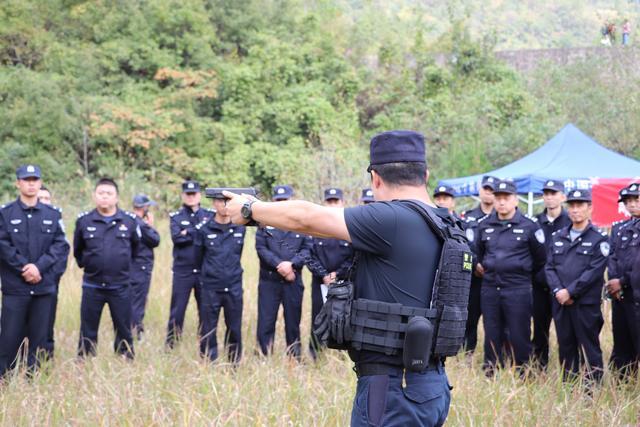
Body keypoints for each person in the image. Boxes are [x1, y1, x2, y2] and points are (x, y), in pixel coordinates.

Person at [224, 130, 452, 426]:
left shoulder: (392, 219)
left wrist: (250, 209)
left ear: (376, 179)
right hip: (432, 383)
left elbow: (305, 217)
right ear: (426, 174)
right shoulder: (446, 222)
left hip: (393, 387)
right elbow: (320, 228)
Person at [0, 165, 69, 377]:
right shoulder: (5, 213)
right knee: (10, 336)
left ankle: (34, 380)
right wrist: (24, 267)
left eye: (35, 180)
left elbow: (60, 245)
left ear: (40, 184)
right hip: (15, 288)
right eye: (26, 179)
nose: (31, 183)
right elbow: (3, 244)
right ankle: (5, 379)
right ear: (18, 183)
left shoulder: (53, 214)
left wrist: (38, 267)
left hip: (43, 287)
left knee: (40, 337)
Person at [476, 179, 546, 375]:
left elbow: (541, 258)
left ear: (515, 200)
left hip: (518, 288)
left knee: (519, 332)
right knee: (491, 331)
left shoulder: (529, 226)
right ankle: (491, 369)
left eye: (506, 198)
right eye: (498, 198)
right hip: (490, 287)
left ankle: (522, 370)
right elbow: (479, 253)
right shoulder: (485, 225)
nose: (501, 202)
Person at [74, 177, 141, 359]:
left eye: (109, 193)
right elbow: (78, 251)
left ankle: (125, 358)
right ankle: (85, 359)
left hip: (120, 285)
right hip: (92, 285)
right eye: (101, 193)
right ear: (94, 196)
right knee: (88, 327)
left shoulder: (128, 221)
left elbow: (136, 249)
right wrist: (89, 264)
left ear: (117, 197)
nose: (105, 197)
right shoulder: (84, 221)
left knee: (123, 326)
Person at [545, 189, 608, 382]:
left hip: (585, 305)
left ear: (589, 208)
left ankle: (592, 390)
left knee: (589, 348)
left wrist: (571, 291)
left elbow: (594, 271)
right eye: (571, 205)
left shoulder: (599, 238)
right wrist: (558, 291)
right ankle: (569, 387)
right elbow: (549, 267)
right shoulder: (558, 236)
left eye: (580, 205)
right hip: (561, 303)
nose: (575, 210)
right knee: (566, 346)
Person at [255, 185, 312, 359]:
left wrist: (292, 265)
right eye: (278, 200)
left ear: (290, 201)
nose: (281, 203)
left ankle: (294, 359)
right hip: (269, 282)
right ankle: (263, 358)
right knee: (265, 323)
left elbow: (308, 250)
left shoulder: (300, 224)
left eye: (284, 200)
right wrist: (280, 265)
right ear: (273, 201)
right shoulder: (264, 224)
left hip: (293, 281)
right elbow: (261, 248)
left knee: (293, 323)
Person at [195, 192, 246, 364]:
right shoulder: (204, 229)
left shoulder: (240, 227)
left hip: (233, 286)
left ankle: (234, 363)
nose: (223, 205)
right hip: (211, 287)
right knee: (208, 327)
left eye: (227, 202)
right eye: (219, 201)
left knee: (234, 327)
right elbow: (198, 258)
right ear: (214, 204)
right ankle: (209, 362)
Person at [306, 188, 354, 359]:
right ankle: (315, 353)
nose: (332, 204)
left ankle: (341, 355)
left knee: (342, 317)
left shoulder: (349, 227)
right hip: (320, 282)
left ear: (342, 202)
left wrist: (337, 274)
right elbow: (308, 255)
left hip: (342, 282)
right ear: (324, 203)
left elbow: (353, 257)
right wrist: (324, 274)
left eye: (336, 201)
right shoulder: (315, 227)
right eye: (329, 201)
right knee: (318, 315)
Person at [166, 180, 213, 348]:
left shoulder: (210, 215)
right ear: (183, 196)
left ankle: (205, 342)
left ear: (199, 195)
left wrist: (188, 232)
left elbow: (207, 237)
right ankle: (172, 344)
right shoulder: (176, 217)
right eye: (188, 194)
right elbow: (178, 239)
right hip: (183, 270)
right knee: (177, 310)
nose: (191, 197)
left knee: (205, 309)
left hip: (203, 269)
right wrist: (197, 230)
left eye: (194, 194)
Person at [532, 180, 571, 369]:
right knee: (539, 331)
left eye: (553, 193)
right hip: (539, 286)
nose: (549, 197)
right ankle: (539, 368)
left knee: (565, 332)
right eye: (546, 193)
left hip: (562, 287)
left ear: (562, 196)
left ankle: (568, 370)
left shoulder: (570, 221)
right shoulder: (535, 222)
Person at [606, 183, 640, 378]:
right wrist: (614, 283)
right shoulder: (620, 228)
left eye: (636, 199)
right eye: (628, 201)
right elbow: (613, 258)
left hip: (636, 293)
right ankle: (624, 384)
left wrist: (623, 281)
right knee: (622, 343)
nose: (632, 204)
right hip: (621, 297)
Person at [461, 176, 496, 354]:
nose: (488, 193)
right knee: (470, 318)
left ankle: (494, 356)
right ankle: (467, 354)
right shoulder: (468, 218)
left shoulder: (502, 217)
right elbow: (464, 245)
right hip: (474, 277)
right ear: (480, 191)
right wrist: (476, 264)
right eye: (485, 189)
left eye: (492, 190)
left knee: (495, 321)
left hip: (495, 278)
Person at [36, 185, 68, 359]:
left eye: (47, 198)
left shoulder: (55, 220)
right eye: (40, 198)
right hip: (23, 282)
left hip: (49, 281)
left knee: (47, 322)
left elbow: (63, 251)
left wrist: (49, 275)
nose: (44, 202)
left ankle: (45, 359)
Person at [130, 194, 160, 340]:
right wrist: (150, 226)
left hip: (130, 267)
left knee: (130, 299)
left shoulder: (128, 221)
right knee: (138, 301)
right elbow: (156, 240)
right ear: (144, 208)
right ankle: (136, 332)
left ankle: (130, 328)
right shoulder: (141, 225)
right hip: (140, 268)